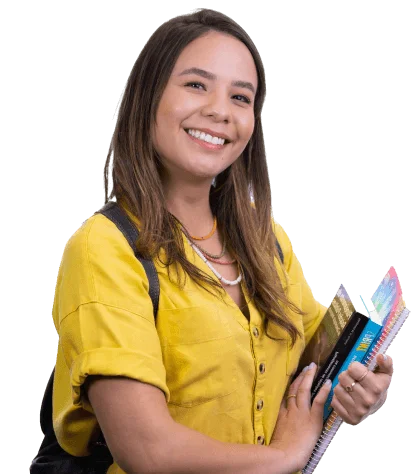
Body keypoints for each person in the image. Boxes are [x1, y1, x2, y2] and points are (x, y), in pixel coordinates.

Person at [36, 9, 393, 474]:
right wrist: (284, 457)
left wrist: (356, 376)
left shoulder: (265, 241)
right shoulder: (106, 248)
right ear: (149, 97)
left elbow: (311, 358)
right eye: (196, 85)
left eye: (240, 97)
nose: (221, 111)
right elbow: (147, 451)